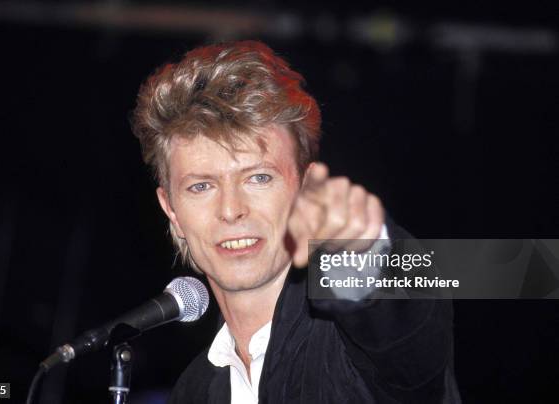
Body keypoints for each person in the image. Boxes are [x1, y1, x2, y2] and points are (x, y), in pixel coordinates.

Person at [131, 40, 460, 403]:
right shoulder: (192, 392)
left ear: (306, 189)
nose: (230, 209)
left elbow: (405, 322)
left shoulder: (348, 345)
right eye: (201, 186)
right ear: (171, 210)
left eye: (258, 178)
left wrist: (365, 251)